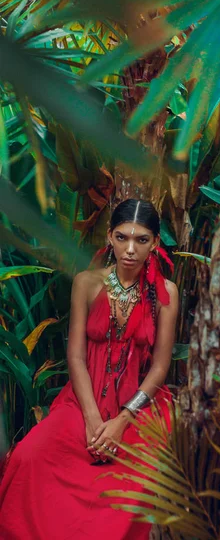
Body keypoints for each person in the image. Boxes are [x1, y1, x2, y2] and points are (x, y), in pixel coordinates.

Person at [0, 199, 179, 540]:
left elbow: (160, 366)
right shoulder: (87, 282)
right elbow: (76, 358)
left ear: (155, 243)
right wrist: (94, 420)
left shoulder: (166, 293)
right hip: (82, 402)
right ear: (109, 237)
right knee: (28, 457)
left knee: (129, 486)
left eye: (141, 239)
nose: (130, 249)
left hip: (139, 408)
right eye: (122, 237)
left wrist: (123, 419)